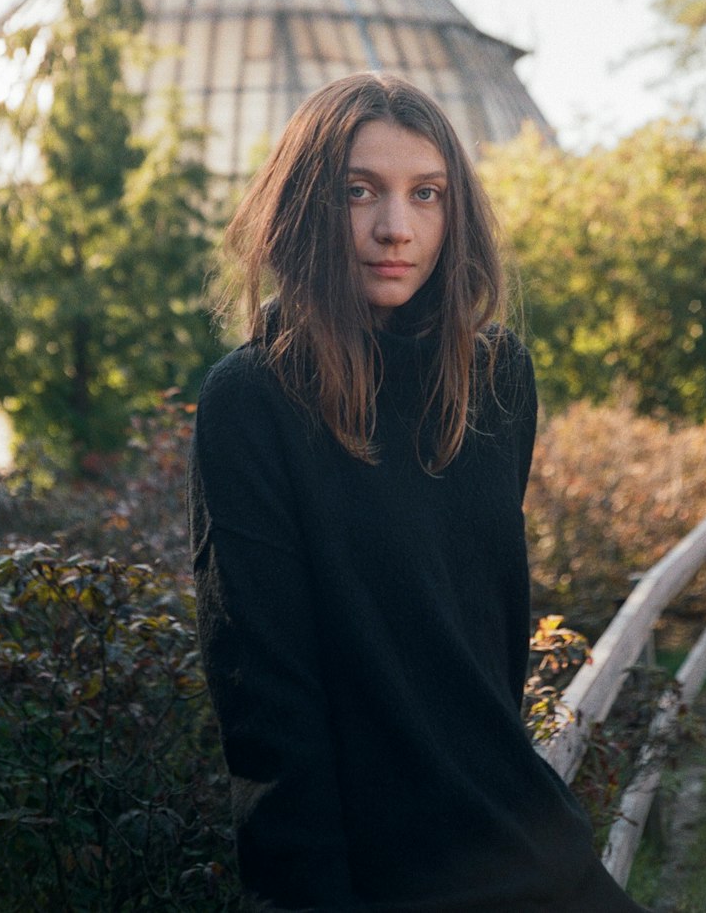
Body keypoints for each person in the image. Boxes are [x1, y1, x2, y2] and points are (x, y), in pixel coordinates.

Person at [187, 73, 649, 913]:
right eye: (357, 193)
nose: (394, 227)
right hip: (371, 872)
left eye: (425, 194)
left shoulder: (496, 376)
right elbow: (264, 693)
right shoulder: (251, 401)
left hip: (524, 837)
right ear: (304, 208)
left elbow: (486, 629)